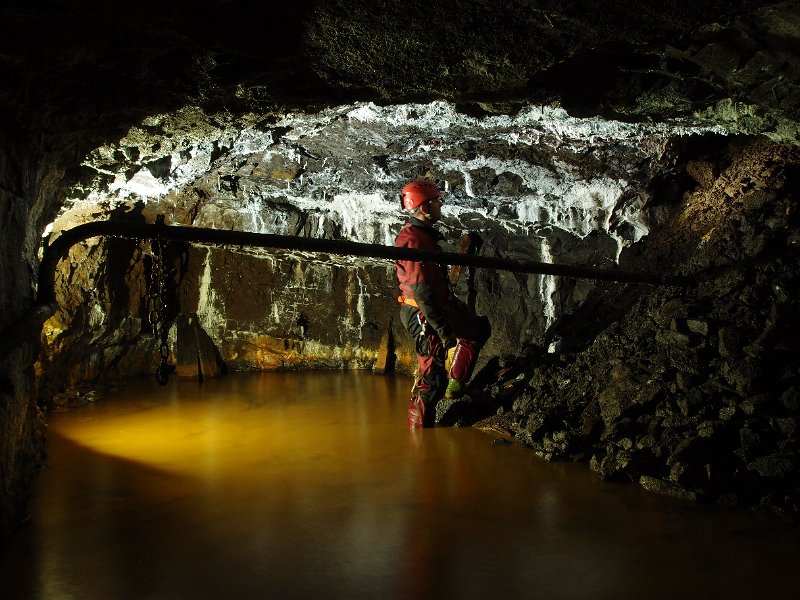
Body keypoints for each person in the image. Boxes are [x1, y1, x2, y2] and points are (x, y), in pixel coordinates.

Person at [394, 180, 490, 428]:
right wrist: (442, 330)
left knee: (476, 330)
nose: (440, 204)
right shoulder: (413, 240)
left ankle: (455, 388)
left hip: (438, 305)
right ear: (424, 207)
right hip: (424, 313)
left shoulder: (423, 236)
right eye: (436, 201)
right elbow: (422, 291)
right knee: (431, 380)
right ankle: (419, 439)